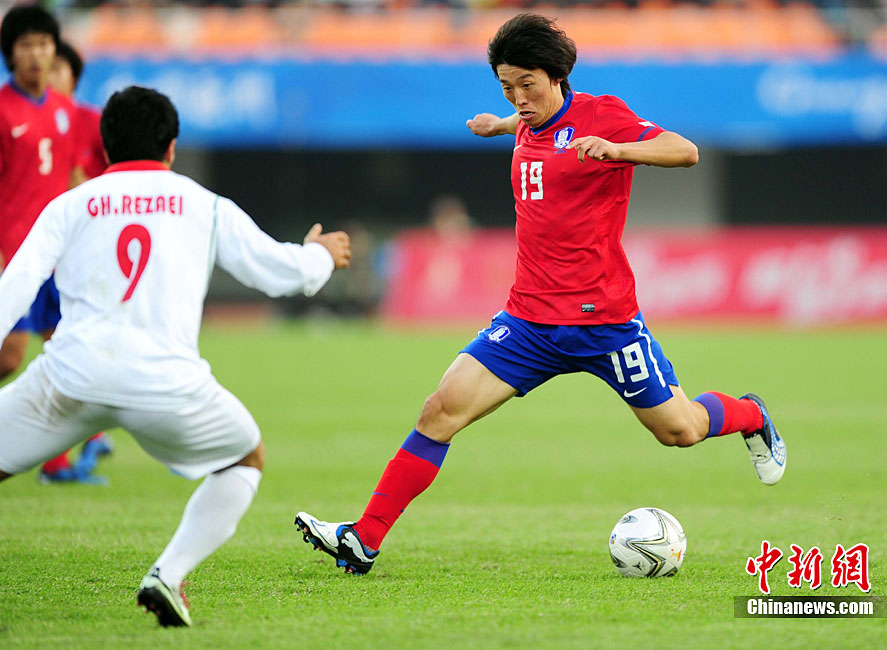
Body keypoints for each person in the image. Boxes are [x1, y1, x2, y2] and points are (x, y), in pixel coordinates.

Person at [295, 13, 786, 576]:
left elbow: (685, 150)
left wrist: (620, 151)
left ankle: (751, 415)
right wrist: (499, 125)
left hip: (605, 323)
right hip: (527, 322)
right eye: (507, 87)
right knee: (439, 411)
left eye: (526, 85)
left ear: (556, 77)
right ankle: (364, 539)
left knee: (682, 430)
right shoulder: (526, 119)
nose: (518, 98)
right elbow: (534, 126)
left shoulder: (603, 115)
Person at [0, 86, 351, 627]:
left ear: (106, 146)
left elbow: (15, 285)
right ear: (170, 147)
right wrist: (320, 256)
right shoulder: (203, 204)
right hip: (165, 385)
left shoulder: (69, 205)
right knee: (245, 458)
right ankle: (168, 573)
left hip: (70, 377)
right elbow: (281, 274)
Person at [40, 38, 114, 483]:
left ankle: (60, 458)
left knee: (69, 351)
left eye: (56, 68)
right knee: (20, 355)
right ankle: (88, 436)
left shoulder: (91, 122)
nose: (45, 74)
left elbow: (120, 172)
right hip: (34, 253)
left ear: (73, 76)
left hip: (80, 257)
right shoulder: (21, 117)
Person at [0, 4, 77, 388]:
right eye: (26, 45)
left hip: (57, 253)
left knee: (69, 356)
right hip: (14, 252)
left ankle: (71, 431)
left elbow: (73, 178)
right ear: (10, 53)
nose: (36, 54)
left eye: (44, 44)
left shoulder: (65, 110)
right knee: (9, 356)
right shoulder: (2, 110)